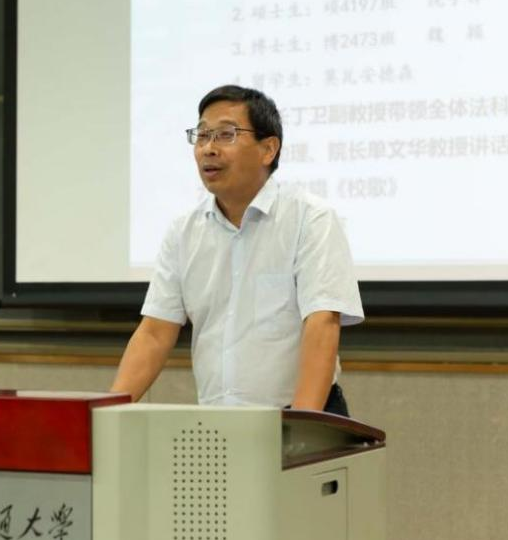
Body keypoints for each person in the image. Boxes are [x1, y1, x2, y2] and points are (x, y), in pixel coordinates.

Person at [110, 85, 363, 415]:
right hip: (220, 421)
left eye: (226, 135)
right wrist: (105, 415)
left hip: (302, 413)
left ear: (268, 149)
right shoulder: (184, 232)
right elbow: (155, 334)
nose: (208, 149)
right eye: (202, 136)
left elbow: (322, 324)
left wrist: (303, 424)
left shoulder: (310, 219)